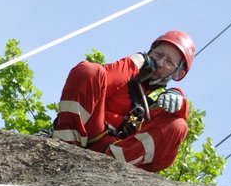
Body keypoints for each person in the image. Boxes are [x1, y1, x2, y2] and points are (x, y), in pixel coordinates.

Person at [50, 30, 197, 173]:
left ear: (179, 73)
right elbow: (100, 78)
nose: (160, 62)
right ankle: (65, 144)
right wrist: (137, 61)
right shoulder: (125, 74)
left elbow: (166, 149)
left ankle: (112, 168)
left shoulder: (162, 102)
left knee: (179, 125)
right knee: (88, 70)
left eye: (170, 62)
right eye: (158, 54)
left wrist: (181, 101)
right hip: (90, 132)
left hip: (120, 155)